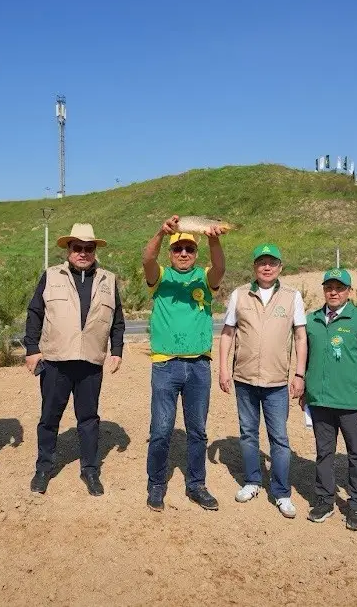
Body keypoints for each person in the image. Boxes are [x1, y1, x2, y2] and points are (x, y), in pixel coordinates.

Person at [23, 224, 125, 496]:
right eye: (77, 248)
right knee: (49, 417)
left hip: (90, 361)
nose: (83, 253)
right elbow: (35, 313)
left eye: (88, 248)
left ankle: (90, 470)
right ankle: (44, 468)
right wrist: (32, 348)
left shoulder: (108, 280)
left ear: (95, 251)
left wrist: (117, 351)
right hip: (56, 360)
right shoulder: (51, 276)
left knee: (89, 418)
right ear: (68, 250)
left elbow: (118, 321)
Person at [142, 215, 226, 512]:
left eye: (189, 249)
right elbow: (147, 259)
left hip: (199, 366)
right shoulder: (161, 277)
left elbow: (220, 268)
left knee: (198, 431)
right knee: (162, 428)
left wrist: (214, 237)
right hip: (166, 365)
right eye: (178, 250)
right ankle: (156, 484)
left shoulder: (204, 277)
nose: (184, 254)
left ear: (195, 252)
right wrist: (161, 233)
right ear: (171, 253)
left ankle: (196, 485)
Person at [218, 243, 307, 519]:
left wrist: (299, 373)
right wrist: (223, 368)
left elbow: (301, 337)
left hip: (277, 382)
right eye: (261, 262)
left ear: (280, 267)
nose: (267, 267)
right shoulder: (239, 295)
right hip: (244, 379)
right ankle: (253, 480)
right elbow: (227, 334)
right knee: (248, 434)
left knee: (279, 438)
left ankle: (281, 492)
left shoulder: (292, 297)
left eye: (272, 262)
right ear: (254, 266)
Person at [302, 268, 357, 530]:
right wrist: (304, 388)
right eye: (329, 287)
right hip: (321, 400)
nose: (333, 292)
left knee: (356, 454)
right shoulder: (311, 319)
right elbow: (305, 358)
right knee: (324, 453)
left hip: (350, 402)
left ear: (349, 292)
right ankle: (325, 499)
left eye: (339, 288)